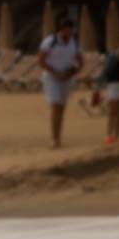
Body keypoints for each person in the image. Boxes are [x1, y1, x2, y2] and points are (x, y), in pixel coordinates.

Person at [37, 17, 83, 148]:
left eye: (71, 30)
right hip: (51, 77)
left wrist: (70, 73)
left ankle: (58, 137)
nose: (69, 32)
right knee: (55, 106)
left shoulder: (74, 43)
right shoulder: (50, 42)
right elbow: (41, 61)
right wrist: (55, 73)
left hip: (67, 77)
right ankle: (54, 139)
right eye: (67, 29)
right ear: (61, 29)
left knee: (62, 108)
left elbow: (80, 63)